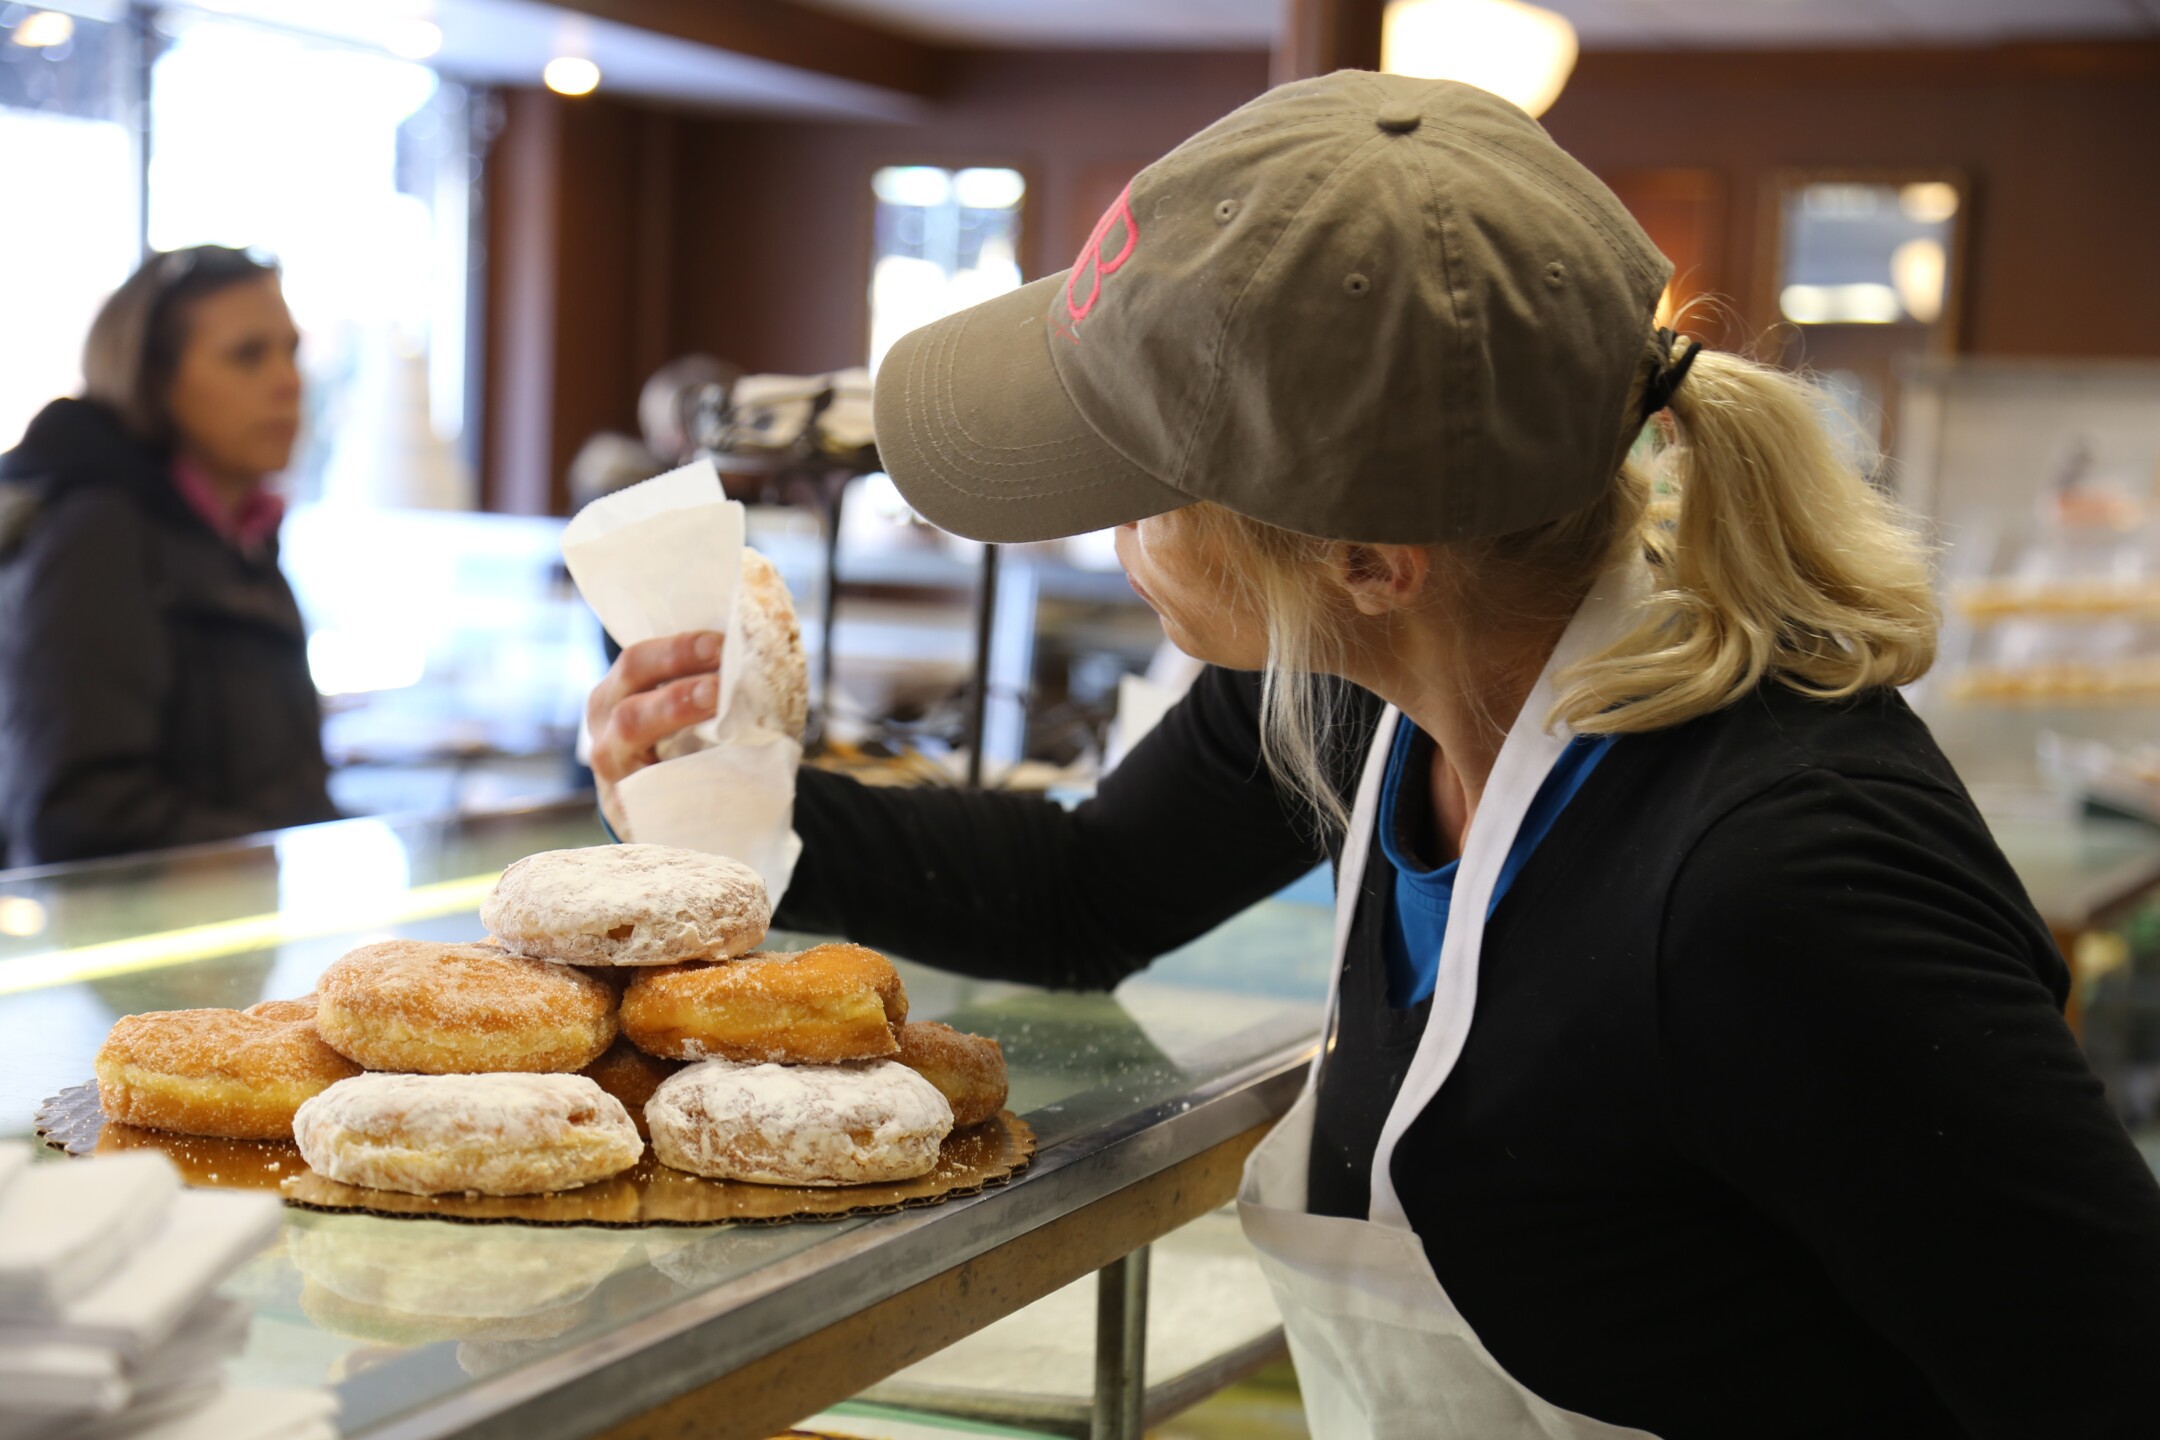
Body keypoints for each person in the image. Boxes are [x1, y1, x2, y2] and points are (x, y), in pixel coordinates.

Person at [585, 74, 2160, 1438]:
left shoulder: (1778, 887)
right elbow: (1083, 895)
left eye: (1138, 485)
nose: (1112, 538)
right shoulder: (1369, 692)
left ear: (1365, 557)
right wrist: (729, 795)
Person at [0, 245, 336, 866]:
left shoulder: (241, 536)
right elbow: (78, 813)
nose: (288, 382)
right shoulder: (99, 532)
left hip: (248, 934)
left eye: (290, 350)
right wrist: (282, 860)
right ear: (155, 379)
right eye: (247, 355)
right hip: (134, 947)